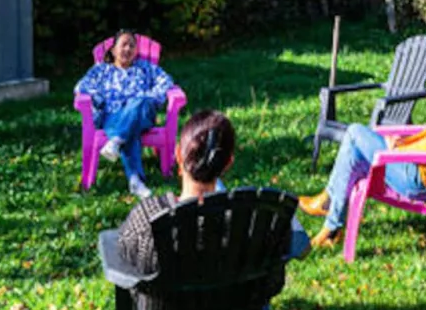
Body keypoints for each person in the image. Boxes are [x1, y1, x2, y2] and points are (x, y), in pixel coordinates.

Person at [299, 33, 426, 248]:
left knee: (354, 133)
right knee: (354, 156)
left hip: (421, 180)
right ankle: (330, 226)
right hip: (421, 168)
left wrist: (395, 151)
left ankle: (329, 206)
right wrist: (402, 143)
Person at [115, 109, 310, 279]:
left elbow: (121, 250)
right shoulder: (255, 223)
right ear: (228, 164)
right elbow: (297, 247)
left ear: (178, 155)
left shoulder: (148, 220)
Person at [75, 29, 176, 199]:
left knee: (139, 101)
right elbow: (81, 87)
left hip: (143, 113)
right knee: (131, 129)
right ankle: (135, 180)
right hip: (112, 117)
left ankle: (116, 140)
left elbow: (166, 81)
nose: (128, 49)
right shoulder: (101, 70)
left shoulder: (145, 68)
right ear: (113, 50)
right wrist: (98, 98)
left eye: (132, 45)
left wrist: (151, 98)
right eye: (124, 45)